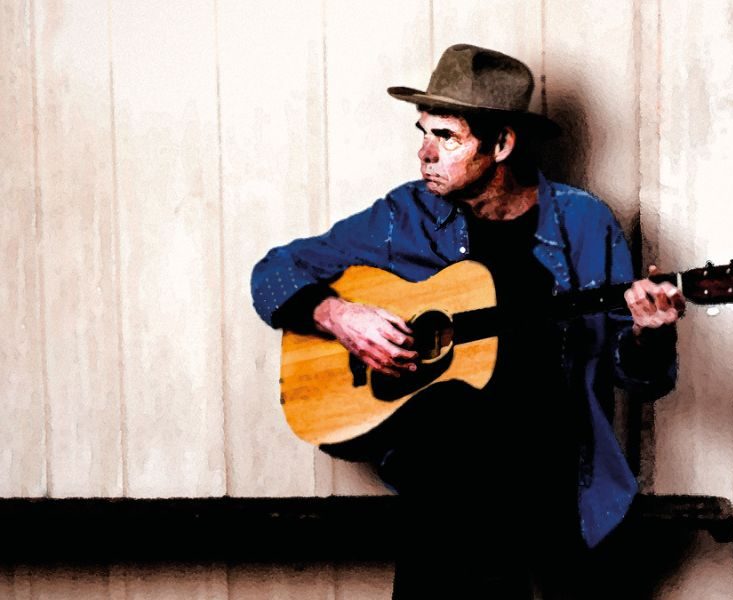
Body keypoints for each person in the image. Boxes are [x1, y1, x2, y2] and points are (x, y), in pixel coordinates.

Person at [251, 43, 685, 599]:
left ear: (501, 144)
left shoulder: (583, 222)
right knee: (455, 477)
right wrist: (336, 314)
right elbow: (275, 270)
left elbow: (642, 378)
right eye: (422, 132)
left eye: (446, 137)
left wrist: (650, 334)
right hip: (447, 479)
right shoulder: (403, 216)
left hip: (556, 471)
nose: (424, 155)